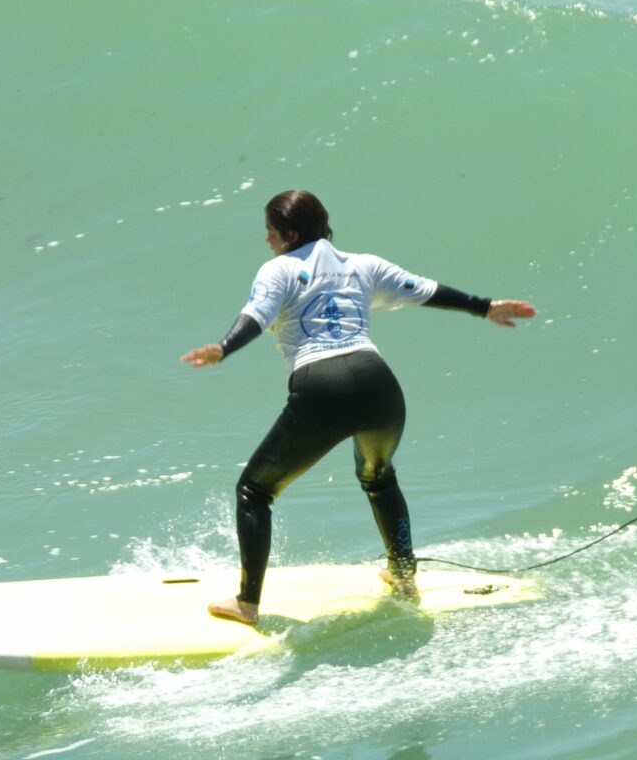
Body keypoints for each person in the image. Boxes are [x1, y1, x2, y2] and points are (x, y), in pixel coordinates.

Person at [181, 190, 535, 625]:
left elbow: (257, 314)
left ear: (290, 234)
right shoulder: (364, 264)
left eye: (271, 233)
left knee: (254, 492)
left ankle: (248, 603)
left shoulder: (280, 269)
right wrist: (484, 308)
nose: (268, 242)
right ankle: (404, 577)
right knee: (379, 478)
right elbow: (425, 290)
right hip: (379, 386)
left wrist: (223, 347)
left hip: (320, 387)